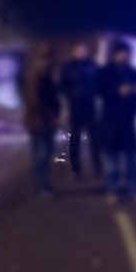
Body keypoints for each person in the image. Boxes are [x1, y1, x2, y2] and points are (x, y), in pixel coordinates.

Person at [97, 40, 136, 205]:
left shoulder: (134, 72)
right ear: (115, 54)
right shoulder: (106, 72)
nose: (125, 56)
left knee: (133, 159)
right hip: (111, 121)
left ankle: (134, 190)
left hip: (128, 121)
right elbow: (99, 90)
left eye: (127, 54)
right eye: (122, 53)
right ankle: (112, 190)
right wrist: (117, 91)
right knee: (112, 161)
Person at [17, 45, 61, 197]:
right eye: (44, 59)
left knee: (43, 154)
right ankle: (41, 186)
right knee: (42, 155)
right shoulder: (35, 77)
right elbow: (35, 101)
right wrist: (51, 115)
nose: (46, 62)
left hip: (43, 122)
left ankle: (42, 184)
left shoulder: (45, 76)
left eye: (48, 59)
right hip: (39, 122)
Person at [59, 43, 101, 180]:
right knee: (75, 141)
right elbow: (62, 86)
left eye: (83, 50)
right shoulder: (68, 67)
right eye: (78, 50)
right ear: (73, 52)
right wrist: (70, 94)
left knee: (95, 139)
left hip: (90, 107)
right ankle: (76, 170)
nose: (81, 53)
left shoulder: (92, 66)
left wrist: (93, 94)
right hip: (75, 108)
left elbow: (99, 84)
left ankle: (97, 168)